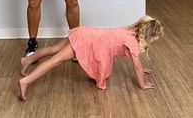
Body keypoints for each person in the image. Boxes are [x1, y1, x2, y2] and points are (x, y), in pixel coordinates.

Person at [18, 15, 164, 101]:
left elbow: (137, 64)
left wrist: (141, 69)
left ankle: (27, 60)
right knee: (56, 60)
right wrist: (143, 84)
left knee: (54, 49)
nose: (154, 42)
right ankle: (25, 81)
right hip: (86, 41)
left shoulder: (130, 31)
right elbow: (136, 66)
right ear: (147, 36)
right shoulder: (132, 42)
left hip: (84, 33)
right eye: (154, 40)